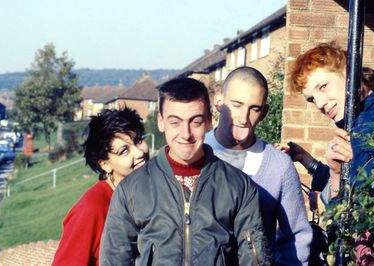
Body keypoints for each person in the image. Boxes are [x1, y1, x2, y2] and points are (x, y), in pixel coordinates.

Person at [100, 77, 271, 265]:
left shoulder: (240, 187)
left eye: (195, 122)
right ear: (161, 122)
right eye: (175, 122)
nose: (186, 134)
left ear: (208, 121)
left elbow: (255, 260)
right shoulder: (130, 190)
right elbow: (114, 260)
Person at [204, 66, 312, 265]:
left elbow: (296, 237)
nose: (244, 118)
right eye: (237, 104)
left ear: (264, 112)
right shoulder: (196, 153)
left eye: (254, 108)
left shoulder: (278, 165)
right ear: (219, 102)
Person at [289, 42, 374, 203]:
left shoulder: (370, 128)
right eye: (312, 99)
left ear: (347, 72)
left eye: (323, 87)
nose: (320, 104)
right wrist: (306, 159)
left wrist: (335, 178)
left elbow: (348, 220)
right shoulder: (366, 120)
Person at [52, 107, 149, 266]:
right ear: (105, 164)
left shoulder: (154, 192)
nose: (139, 153)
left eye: (138, 140)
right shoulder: (92, 208)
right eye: (124, 150)